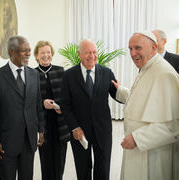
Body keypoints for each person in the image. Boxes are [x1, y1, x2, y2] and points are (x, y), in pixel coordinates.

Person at [112, 31, 179, 180]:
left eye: (137, 48)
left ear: (154, 47)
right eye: (130, 49)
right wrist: (120, 90)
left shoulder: (164, 73)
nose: (133, 53)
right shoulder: (147, 68)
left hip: (153, 155)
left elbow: (174, 125)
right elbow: (140, 100)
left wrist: (137, 138)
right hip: (137, 151)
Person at [60, 39, 118, 180]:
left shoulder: (106, 72)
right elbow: (65, 105)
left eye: (94, 52)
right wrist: (74, 128)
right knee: (83, 168)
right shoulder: (69, 76)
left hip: (102, 130)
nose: (92, 56)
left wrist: (123, 91)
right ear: (79, 54)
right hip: (80, 131)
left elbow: (117, 95)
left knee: (103, 168)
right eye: (88, 53)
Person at [0, 35, 45, 180]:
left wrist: (41, 129)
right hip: (6, 142)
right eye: (23, 51)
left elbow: (38, 104)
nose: (28, 54)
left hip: (29, 139)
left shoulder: (34, 74)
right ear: (11, 51)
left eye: (29, 50)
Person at [34, 41, 70, 180]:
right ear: (36, 56)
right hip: (43, 125)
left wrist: (60, 105)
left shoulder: (60, 71)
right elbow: (30, 101)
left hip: (60, 124)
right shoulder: (32, 74)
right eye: (42, 53)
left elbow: (67, 95)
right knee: (46, 161)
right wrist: (42, 103)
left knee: (60, 161)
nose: (46, 55)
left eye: (48, 52)